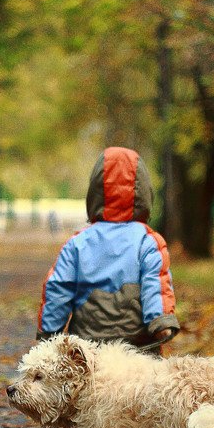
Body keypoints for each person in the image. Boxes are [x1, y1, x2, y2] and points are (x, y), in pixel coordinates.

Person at [37, 147, 179, 354]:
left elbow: (58, 288)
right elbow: (155, 284)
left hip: (88, 348)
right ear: (144, 193)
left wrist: (49, 333)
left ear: (95, 193)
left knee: (89, 385)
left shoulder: (78, 243)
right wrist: (161, 321)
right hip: (137, 347)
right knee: (143, 385)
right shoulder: (148, 241)